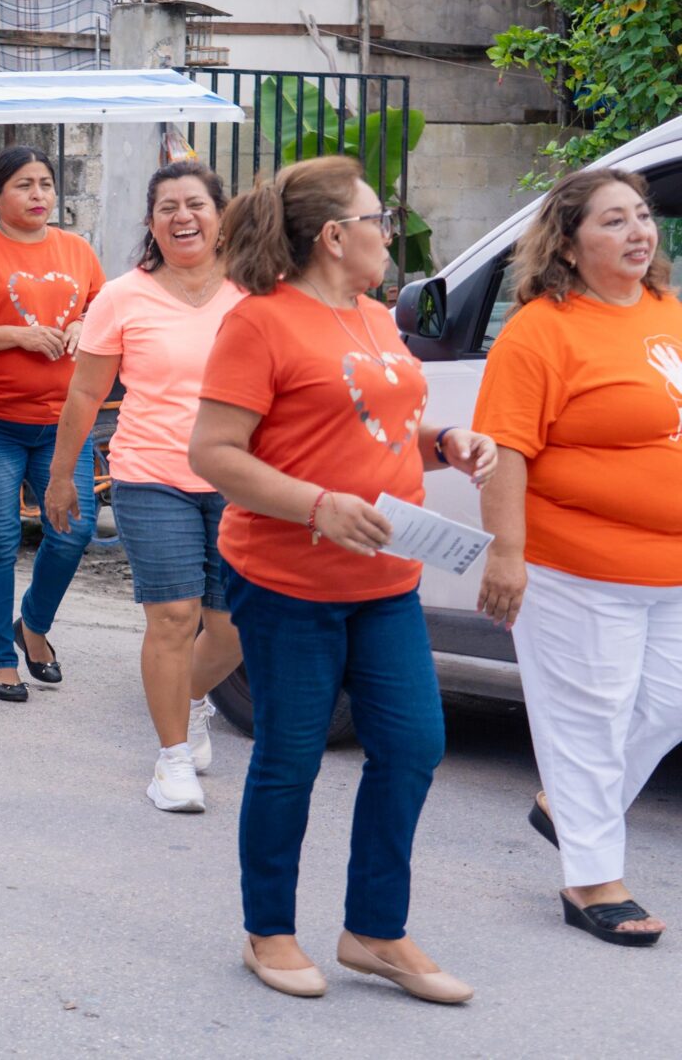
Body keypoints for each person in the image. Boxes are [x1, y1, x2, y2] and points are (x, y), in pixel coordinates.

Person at [188, 155, 497, 1004]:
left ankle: (374, 931)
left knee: (413, 745)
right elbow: (213, 453)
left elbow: (375, 427)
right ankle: (269, 930)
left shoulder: (374, 316)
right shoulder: (259, 323)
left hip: (387, 575)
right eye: (377, 219)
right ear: (334, 236)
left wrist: (444, 444)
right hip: (288, 579)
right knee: (291, 757)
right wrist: (317, 507)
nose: (388, 234)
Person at [472, 168, 682, 948]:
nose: (638, 232)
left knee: (668, 704)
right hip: (577, 568)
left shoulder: (666, 312)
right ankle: (593, 881)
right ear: (567, 244)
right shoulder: (541, 331)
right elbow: (505, 449)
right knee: (590, 723)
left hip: (671, 566)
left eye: (642, 216)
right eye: (613, 221)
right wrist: (507, 554)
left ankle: (566, 806)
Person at [45, 162, 245, 812]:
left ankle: (189, 699)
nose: (183, 217)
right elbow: (85, 393)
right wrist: (61, 476)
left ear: (220, 215)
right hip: (152, 474)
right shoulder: (123, 296)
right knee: (174, 616)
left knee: (235, 627)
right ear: (151, 223)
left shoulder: (254, 290)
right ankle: (172, 759)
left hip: (240, 476)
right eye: (168, 208)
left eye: (196, 204)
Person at [0, 146, 106, 702]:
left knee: (74, 530)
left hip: (63, 421)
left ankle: (32, 624)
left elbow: (102, 308)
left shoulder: (76, 249)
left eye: (45, 184)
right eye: (23, 185)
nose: (39, 195)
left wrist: (84, 324)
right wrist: (19, 335)